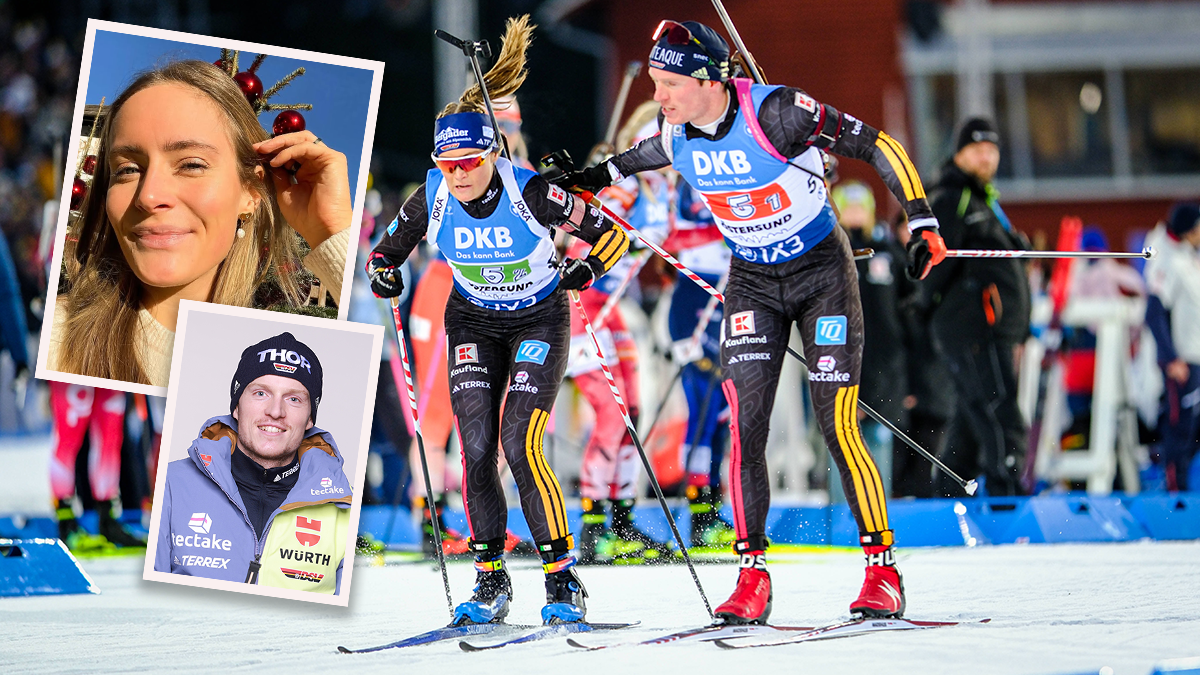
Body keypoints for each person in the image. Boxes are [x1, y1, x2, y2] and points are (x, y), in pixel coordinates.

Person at [553, 20, 945, 623]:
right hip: (754, 283)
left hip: (821, 277)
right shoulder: (674, 130)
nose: (657, 96)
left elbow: (878, 144)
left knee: (835, 421)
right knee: (746, 426)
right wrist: (584, 180)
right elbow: (631, 162)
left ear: (708, 79)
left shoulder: (780, 111)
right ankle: (752, 575)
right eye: (653, 82)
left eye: (667, 82)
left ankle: (880, 571)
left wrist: (921, 221)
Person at [365, 16, 632, 625]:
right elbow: (388, 249)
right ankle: (490, 582)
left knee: (520, 441)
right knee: (477, 446)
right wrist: (384, 272)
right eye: (447, 163)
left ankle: (562, 580)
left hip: (539, 319)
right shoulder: (430, 193)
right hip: (474, 323)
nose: (458, 175)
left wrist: (584, 272)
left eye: (469, 162)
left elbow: (609, 235)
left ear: (493, 153)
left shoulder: (531, 191)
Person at [48, 59, 351, 386]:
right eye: (127, 169)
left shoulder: (284, 365)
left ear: (250, 193)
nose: (148, 196)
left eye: (191, 165)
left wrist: (332, 232)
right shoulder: (55, 338)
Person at [154, 332, 352, 594]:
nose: (275, 411)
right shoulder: (171, 484)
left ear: (309, 419)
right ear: (236, 407)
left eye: (294, 399)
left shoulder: (343, 507)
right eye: (260, 393)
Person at [568, 102, 671, 565]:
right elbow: (578, 241)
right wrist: (613, 239)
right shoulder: (626, 186)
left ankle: (623, 521)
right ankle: (592, 528)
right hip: (582, 306)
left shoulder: (660, 190)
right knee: (611, 415)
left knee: (632, 411)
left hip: (612, 310)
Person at [922, 117, 1031, 498]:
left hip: (988, 328)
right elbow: (931, 263)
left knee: (972, 417)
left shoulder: (983, 198)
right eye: (977, 150)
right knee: (999, 410)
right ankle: (1008, 495)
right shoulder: (952, 196)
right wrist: (924, 309)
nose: (986, 157)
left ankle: (945, 499)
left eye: (992, 150)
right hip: (973, 329)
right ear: (960, 154)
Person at [832, 180, 908, 497]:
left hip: (885, 368)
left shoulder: (888, 255)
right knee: (841, 444)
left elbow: (905, 316)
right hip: (838, 363)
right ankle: (841, 517)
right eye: (846, 208)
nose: (854, 215)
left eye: (859, 207)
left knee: (880, 443)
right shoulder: (828, 257)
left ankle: (878, 511)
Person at [1144, 203, 1200, 491]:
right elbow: (1154, 312)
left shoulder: (1189, 259)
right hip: (1184, 362)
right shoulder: (1167, 260)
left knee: (1194, 433)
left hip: (1196, 358)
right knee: (1180, 430)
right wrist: (1171, 358)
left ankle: (1187, 494)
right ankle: (1174, 495)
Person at [49, 382, 145, 550]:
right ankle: (66, 524)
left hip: (112, 360)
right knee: (69, 436)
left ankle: (107, 522)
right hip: (74, 360)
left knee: (110, 437)